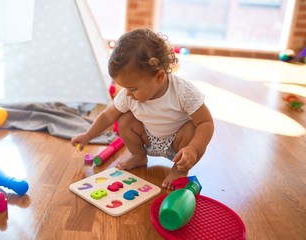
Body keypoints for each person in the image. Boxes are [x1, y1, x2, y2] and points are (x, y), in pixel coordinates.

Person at [71, 28, 214, 189]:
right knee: (125, 120)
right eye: (125, 88)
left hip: (178, 144)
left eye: (133, 88)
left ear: (159, 77)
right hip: (150, 139)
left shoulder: (183, 91)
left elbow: (206, 123)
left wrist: (193, 148)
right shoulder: (128, 94)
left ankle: (180, 170)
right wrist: (88, 135)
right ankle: (139, 156)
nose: (128, 94)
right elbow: (108, 115)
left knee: (192, 130)